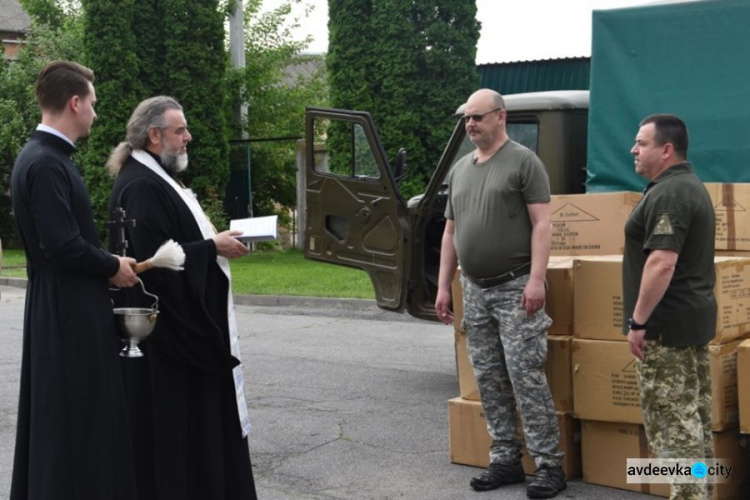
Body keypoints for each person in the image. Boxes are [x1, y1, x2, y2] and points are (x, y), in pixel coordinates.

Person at [105, 96, 257, 499]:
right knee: (174, 441)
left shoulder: (157, 178)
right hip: (171, 339)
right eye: (180, 130)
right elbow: (156, 262)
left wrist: (213, 243)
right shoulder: (141, 184)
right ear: (154, 135)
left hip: (180, 332)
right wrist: (213, 248)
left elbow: (175, 244)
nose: (188, 137)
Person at [9, 60, 139, 499]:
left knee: (69, 418)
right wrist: (111, 266)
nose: (96, 114)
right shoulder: (46, 163)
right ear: (74, 102)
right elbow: (61, 244)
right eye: (93, 104)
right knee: (73, 417)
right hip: (68, 310)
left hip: (62, 303)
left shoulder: (48, 158)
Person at [435, 88, 565, 499]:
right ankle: (505, 458)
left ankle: (549, 466)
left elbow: (543, 224)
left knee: (525, 377)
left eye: (478, 117)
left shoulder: (524, 162)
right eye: (466, 119)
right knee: (489, 378)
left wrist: (536, 279)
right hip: (474, 289)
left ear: (500, 117)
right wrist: (444, 285)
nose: (470, 124)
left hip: (515, 287)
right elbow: (451, 232)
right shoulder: (460, 170)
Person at [623, 114, 715, 500]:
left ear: (666, 150)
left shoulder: (670, 193)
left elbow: (662, 261)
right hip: (688, 324)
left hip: (666, 330)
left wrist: (638, 321)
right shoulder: (688, 186)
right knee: (694, 425)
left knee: (673, 429)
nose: (633, 150)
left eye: (641, 143)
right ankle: (703, 493)